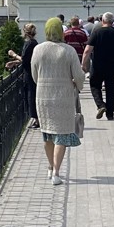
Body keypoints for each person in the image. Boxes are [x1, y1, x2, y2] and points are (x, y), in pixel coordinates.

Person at [31, 17, 85, 186]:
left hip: (43, 96)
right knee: (61, 134)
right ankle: (56, 172)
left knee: (47, 133)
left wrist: (42, 83)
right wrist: (78, 84)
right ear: (61, 31)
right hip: (64, 97)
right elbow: (79, 74)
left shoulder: (38, 49)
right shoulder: (68, 50)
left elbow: (34, 74)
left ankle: (50, 167)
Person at [83, 12, 114, 121]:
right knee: (111, 88)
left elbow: (88, 50)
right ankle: (110, 113)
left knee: (95, 85)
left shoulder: (97, 32)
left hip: (98, 64)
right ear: (112, 22)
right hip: (113, 65)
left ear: (102, 21)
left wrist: (83, 63)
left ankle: (101, 105)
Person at [5, 23, 41, 129]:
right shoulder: (33, 43)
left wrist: (13, 55)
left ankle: (36, 119)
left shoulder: (29, 43)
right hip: (31, 71)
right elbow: (28, 59)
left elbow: (26, 60)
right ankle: (36, 118)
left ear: (24, 32)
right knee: (31, 94)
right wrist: (15, 62)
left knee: (31, 95)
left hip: (30, 73)